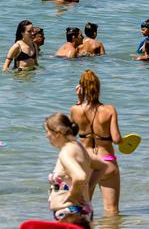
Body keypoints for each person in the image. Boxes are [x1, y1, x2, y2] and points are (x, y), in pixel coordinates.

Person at [70, 70, 122, 215]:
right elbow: (117, 139)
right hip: (107, 162)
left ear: (81, 89)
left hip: (86, 162)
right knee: (112, 211)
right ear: (98, 88)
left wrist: (79, 101)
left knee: (83, 210)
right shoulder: (109, 110)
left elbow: (71, 138)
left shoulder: (75, 110)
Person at [43, 113, 104, 226]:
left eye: (47, 131)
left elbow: (80, 177)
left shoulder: (66, 153)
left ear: (58, 134)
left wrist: (73, 194)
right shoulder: (79, 147)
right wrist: (88, 188)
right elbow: (102, 166)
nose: (46, 136)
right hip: (82, 211)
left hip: (70, 214)